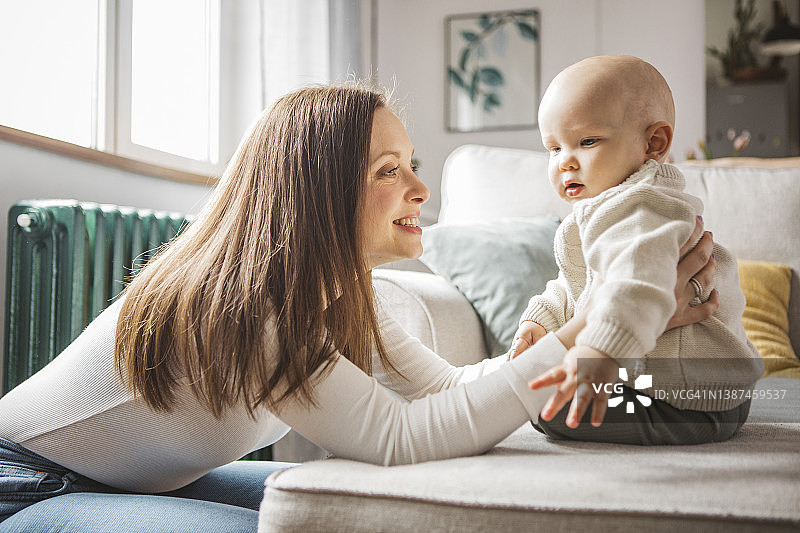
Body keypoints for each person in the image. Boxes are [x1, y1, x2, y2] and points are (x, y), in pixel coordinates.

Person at [0, 84, 718, 532]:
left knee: (341, 508)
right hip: (23, 486)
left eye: (414, 165)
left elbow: (450, 388)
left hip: (137, 480)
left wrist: (596, 320)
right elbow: (402, 437)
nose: (420, 189)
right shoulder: (256, 310)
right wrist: (596, 329)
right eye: (389, 170)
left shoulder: (345, 298)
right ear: (318, 191)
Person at [507, 55, 763, 445]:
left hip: (694, 396)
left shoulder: (644, 206)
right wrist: (539, 320)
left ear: (653, 143)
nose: (565, 162)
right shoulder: (602, 209)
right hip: (677, 384)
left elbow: (638, 282)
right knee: (536, 391)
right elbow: (572, 283)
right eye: (553, 149)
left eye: (587, 141)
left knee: (546, 406)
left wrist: (599, 349)